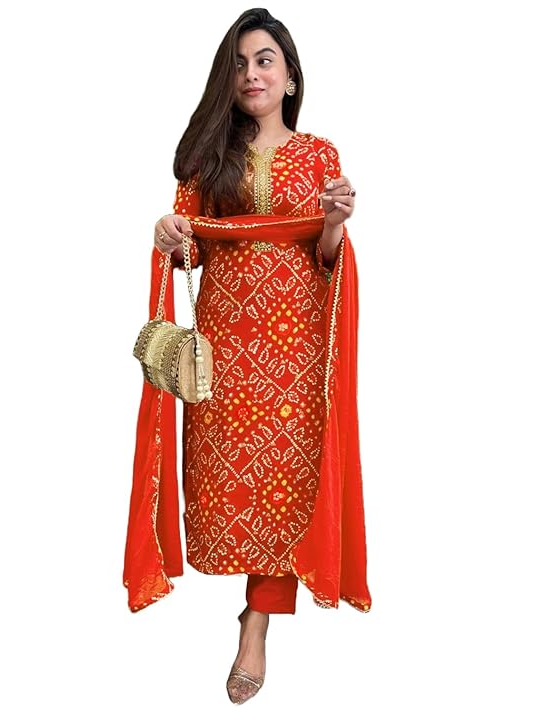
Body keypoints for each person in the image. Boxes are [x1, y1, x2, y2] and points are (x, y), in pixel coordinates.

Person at [123, 7, 371, 705]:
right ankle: (250, 609)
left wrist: (333, 223)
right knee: (230, 481)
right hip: (226, 348)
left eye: (265, 61)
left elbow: (326, 255)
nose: (251, 74)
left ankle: (255, 626)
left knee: (288, 484)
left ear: (290, 77)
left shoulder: (319, 154)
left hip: (295, 345)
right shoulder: (211, 155)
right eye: (238, 64)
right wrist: (169, 231)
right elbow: (189, 250)